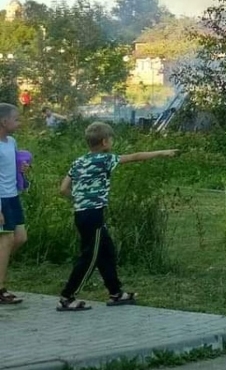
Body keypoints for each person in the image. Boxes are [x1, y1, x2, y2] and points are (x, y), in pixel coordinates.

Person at [57, 122, 179, 311]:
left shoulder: (78, 162)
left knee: (107, 252)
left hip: (81, 214)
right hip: (94, 215)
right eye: (111, 139)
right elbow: (136, 157)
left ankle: (116, 293)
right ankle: (67, 296)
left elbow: (63, 189)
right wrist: (163, 152)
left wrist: (80, 197)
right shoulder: (105, 160)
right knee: (89, 257)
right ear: (105, 142)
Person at [0, 103, 27, 305]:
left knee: (20, 238)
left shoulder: (12, 142)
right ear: (4, 121)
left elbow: (14, 165)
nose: (19, 123)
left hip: (13, 196)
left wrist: (22, 167)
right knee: (7, 240)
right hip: (1, 198)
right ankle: (0, 290)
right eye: (16, 119)